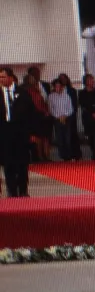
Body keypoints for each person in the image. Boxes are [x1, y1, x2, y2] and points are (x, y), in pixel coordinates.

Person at [0, 67, 36, 197]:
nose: (1, 80)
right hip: (4, 134)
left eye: (3, 77)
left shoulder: (23, 93)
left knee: (22, 163)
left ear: (10, 77)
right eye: (0, 78)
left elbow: (31, 114)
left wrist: (32, 132)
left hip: (21, 134)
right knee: (8, 164)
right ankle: (11, 190)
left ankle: (23, 190)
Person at [79, 74, 95, 160]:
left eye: (93, 79)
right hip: (88, 119)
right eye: (91, 80)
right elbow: (84, 105)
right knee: (91, 137)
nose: (93, 81)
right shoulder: (82, 93)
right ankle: (93, 154)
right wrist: (92, 113)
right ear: (86, 82)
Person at [48, 78, 74, 161]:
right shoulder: (51, 96)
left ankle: (68, 155)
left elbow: (71, 109)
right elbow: (50, 109)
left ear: (62, 87)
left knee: (67, 138)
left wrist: (65, 116)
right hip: (57, 119)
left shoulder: (67, 96)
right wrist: (58, 116)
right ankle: (62, 156)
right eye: (56, 87)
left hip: (66, 119)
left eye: (60, 86)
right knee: (60, 138)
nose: (58, 88)